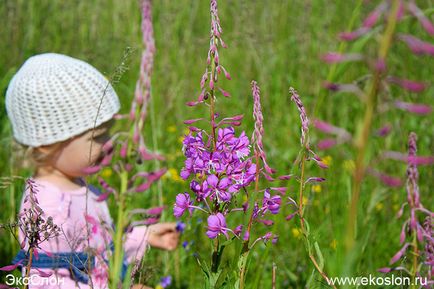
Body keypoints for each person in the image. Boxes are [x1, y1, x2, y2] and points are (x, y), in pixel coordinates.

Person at [5, 53, 179, 288]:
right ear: (47, 144)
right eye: (98, 136)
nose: (110, 142)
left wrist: (144, 237)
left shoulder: (80, 186)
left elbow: (100, 248)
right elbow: (43, 280)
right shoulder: (46, 204)